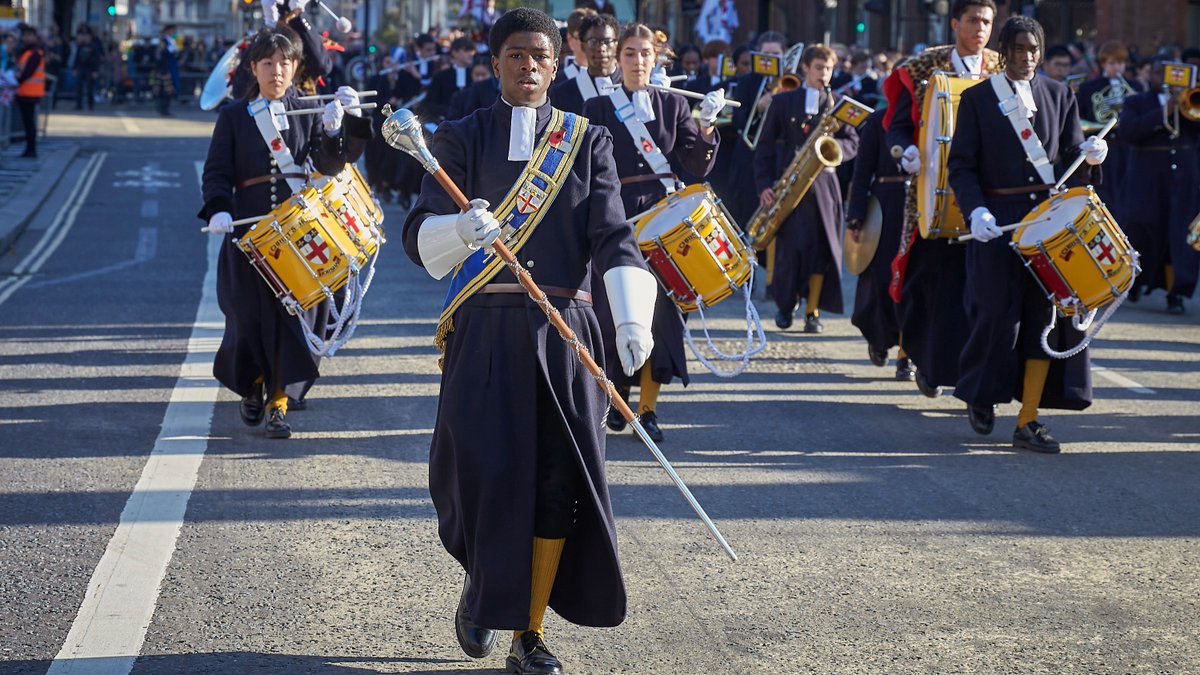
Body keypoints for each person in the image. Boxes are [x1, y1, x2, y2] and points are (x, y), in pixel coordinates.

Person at [401, 9, 656, 674]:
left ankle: (530, 633)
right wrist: (461, 229)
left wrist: (632, 318)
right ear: (495, 64)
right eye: (516, 55)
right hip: (484, 331)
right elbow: (420, 233)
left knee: (554, 483)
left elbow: (613, 234)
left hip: (565, 336)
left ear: (557, 62)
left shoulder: (587, 140)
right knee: (482, 475)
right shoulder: (460, 136)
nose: (529, 66)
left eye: (540, 55)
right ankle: (483, 588)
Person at [947, 14, 1108, 452]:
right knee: (998, 316)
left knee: (1045, 318)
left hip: (1047, 219)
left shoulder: (1060, 94)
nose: (1026, 57)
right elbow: (960, 164)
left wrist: (1092, 156)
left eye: (1033, 49)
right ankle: (981, 396)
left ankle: (1029, 418)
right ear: (1005, 51)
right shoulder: (979, 98)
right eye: (1018, 48)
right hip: (997, 219)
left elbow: (1071, 155)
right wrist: (975, 209)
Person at [198, 27, 370, 439]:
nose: (277, 71)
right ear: (254, 68)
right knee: (246, 318)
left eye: (285, 63)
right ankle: (253, 386)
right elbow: (217, 172)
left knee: (292, 321)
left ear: (296, 68)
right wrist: (220, 208)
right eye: (268, 64)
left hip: (299, 238)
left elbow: (329, 169)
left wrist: (334, 131)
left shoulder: (310, 109)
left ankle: (278, 402)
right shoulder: (233, 117)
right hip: (247, 237)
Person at [582, 23, 723, 442]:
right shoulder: (597, 107)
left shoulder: (674, 105)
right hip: (615, 218)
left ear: (655, 59)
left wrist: (708, 130)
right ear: (618, 58)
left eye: (645, 54)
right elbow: (585, 171)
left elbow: (696, 167)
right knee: (612, 312)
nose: (638, 61)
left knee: (662, 316)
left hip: (662, 219)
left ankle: (648, 409)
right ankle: (617, 398)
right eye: (630, 53)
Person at [883, 0, 1001, 396]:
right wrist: (906, 152)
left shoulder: (1003, 69)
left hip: (986, 199)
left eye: (987, 22)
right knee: (930, 285)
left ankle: (973, 376)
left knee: (981, 291)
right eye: (973, 21)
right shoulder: (920, 69)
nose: (980, 29)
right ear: (955, 24)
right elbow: (897, 129)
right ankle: (927, 361)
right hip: (930, 196)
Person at [755, 44, 859, 333]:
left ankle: (812, 311)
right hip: (789, 182)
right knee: (791, 250)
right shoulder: (783, 101)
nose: (823, 74)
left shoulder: (839, 103)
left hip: (825, 187)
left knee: (822, 250)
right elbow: (764, 148)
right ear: (805, 69)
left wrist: (835, 148)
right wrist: (764, 185)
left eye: (828, 69)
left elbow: (853, 141)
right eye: (818, 68)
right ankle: (785, 306)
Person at [1118, 57, 1200, 315]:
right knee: (1143, 229)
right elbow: (1128, 131)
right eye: (1160, 74)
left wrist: (1185, 101)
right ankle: (1137, 280)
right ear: (1150, 75)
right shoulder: (1136, 101)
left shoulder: (1191, 98)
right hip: (1147, 177)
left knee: (1181, 235)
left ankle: (1177, 293)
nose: (1166, 80)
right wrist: (1166, 111)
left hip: (1183, 177)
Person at [846, 109, 909, 379]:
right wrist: (856, 215)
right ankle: (879, 338)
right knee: (881, 279)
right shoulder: (878, 120)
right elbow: (862, 171)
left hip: (922, 208)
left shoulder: (933, 118)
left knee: (913, 283)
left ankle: (907, 356)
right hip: (885, 206)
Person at [1075, 41, 1144, 216]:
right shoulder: (1089, 88)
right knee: (1104, 190)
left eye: (1120, 63)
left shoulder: (1135, 87)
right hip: (1102, 146)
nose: (1117, 68)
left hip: (1127, 146)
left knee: (1127, 190)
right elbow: (1079, 116)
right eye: (1112, 63)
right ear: (1103, 63)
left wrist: (1137, 101)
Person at [549, 12, 620, 115]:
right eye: (593, 42)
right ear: (582, 46)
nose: (601, 48)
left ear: (617, 45)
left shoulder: (631, 87)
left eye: (607, 41)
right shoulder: (561, 93)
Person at [425, 36, 477, 121]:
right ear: (455, 53)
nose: (471, 53)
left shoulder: (476, 75)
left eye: (472, 50)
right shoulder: (441, 76)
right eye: (466, 50)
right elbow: (430, 103)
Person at [13, 23, 45, 159]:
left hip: (30, 93)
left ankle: (31, 149)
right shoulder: (26, 52)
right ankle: (29, 149)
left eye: (29, 35)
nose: (26, 38)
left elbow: (27, 73)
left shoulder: (35, 53)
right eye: (24, 35)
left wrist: (15, 81)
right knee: (27, 122)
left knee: (29, 123)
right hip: (24, 92)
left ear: (35, 37)